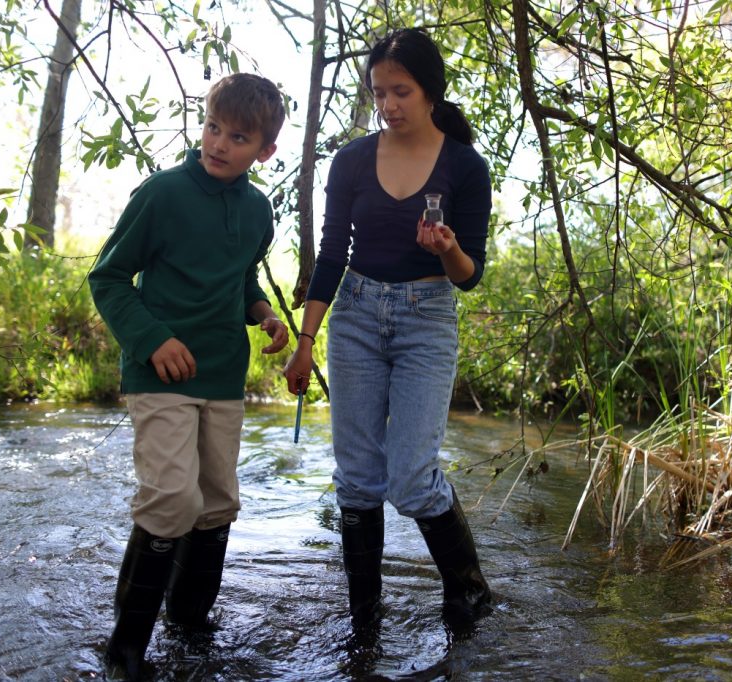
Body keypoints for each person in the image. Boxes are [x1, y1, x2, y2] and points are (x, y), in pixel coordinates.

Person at [282, 27, 492, 629]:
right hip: (354, 318)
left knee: (412, 477)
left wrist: (447, 247)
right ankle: (364, 617)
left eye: (400, 91)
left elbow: (468, 276)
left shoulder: (465, 167)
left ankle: (469, 592)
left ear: (430, 91)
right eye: (379, 93)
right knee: (357, 479)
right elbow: (330, 256)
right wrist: (304, 344)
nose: (388, 105)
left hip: (427, 316)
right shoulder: (350, 161)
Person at [89, 73, 289, 680]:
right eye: (212, 128)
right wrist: (152, 339)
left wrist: (262, 312)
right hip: (160, 374)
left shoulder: (258, 210)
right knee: (173, 497)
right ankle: (124, 650)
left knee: (218, 501)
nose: (219, 143)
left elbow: (241, 279)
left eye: (237, 136)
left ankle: (190, 625)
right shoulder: (162, 193)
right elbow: (108, 278)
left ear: (264, 151)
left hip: (223, 374)